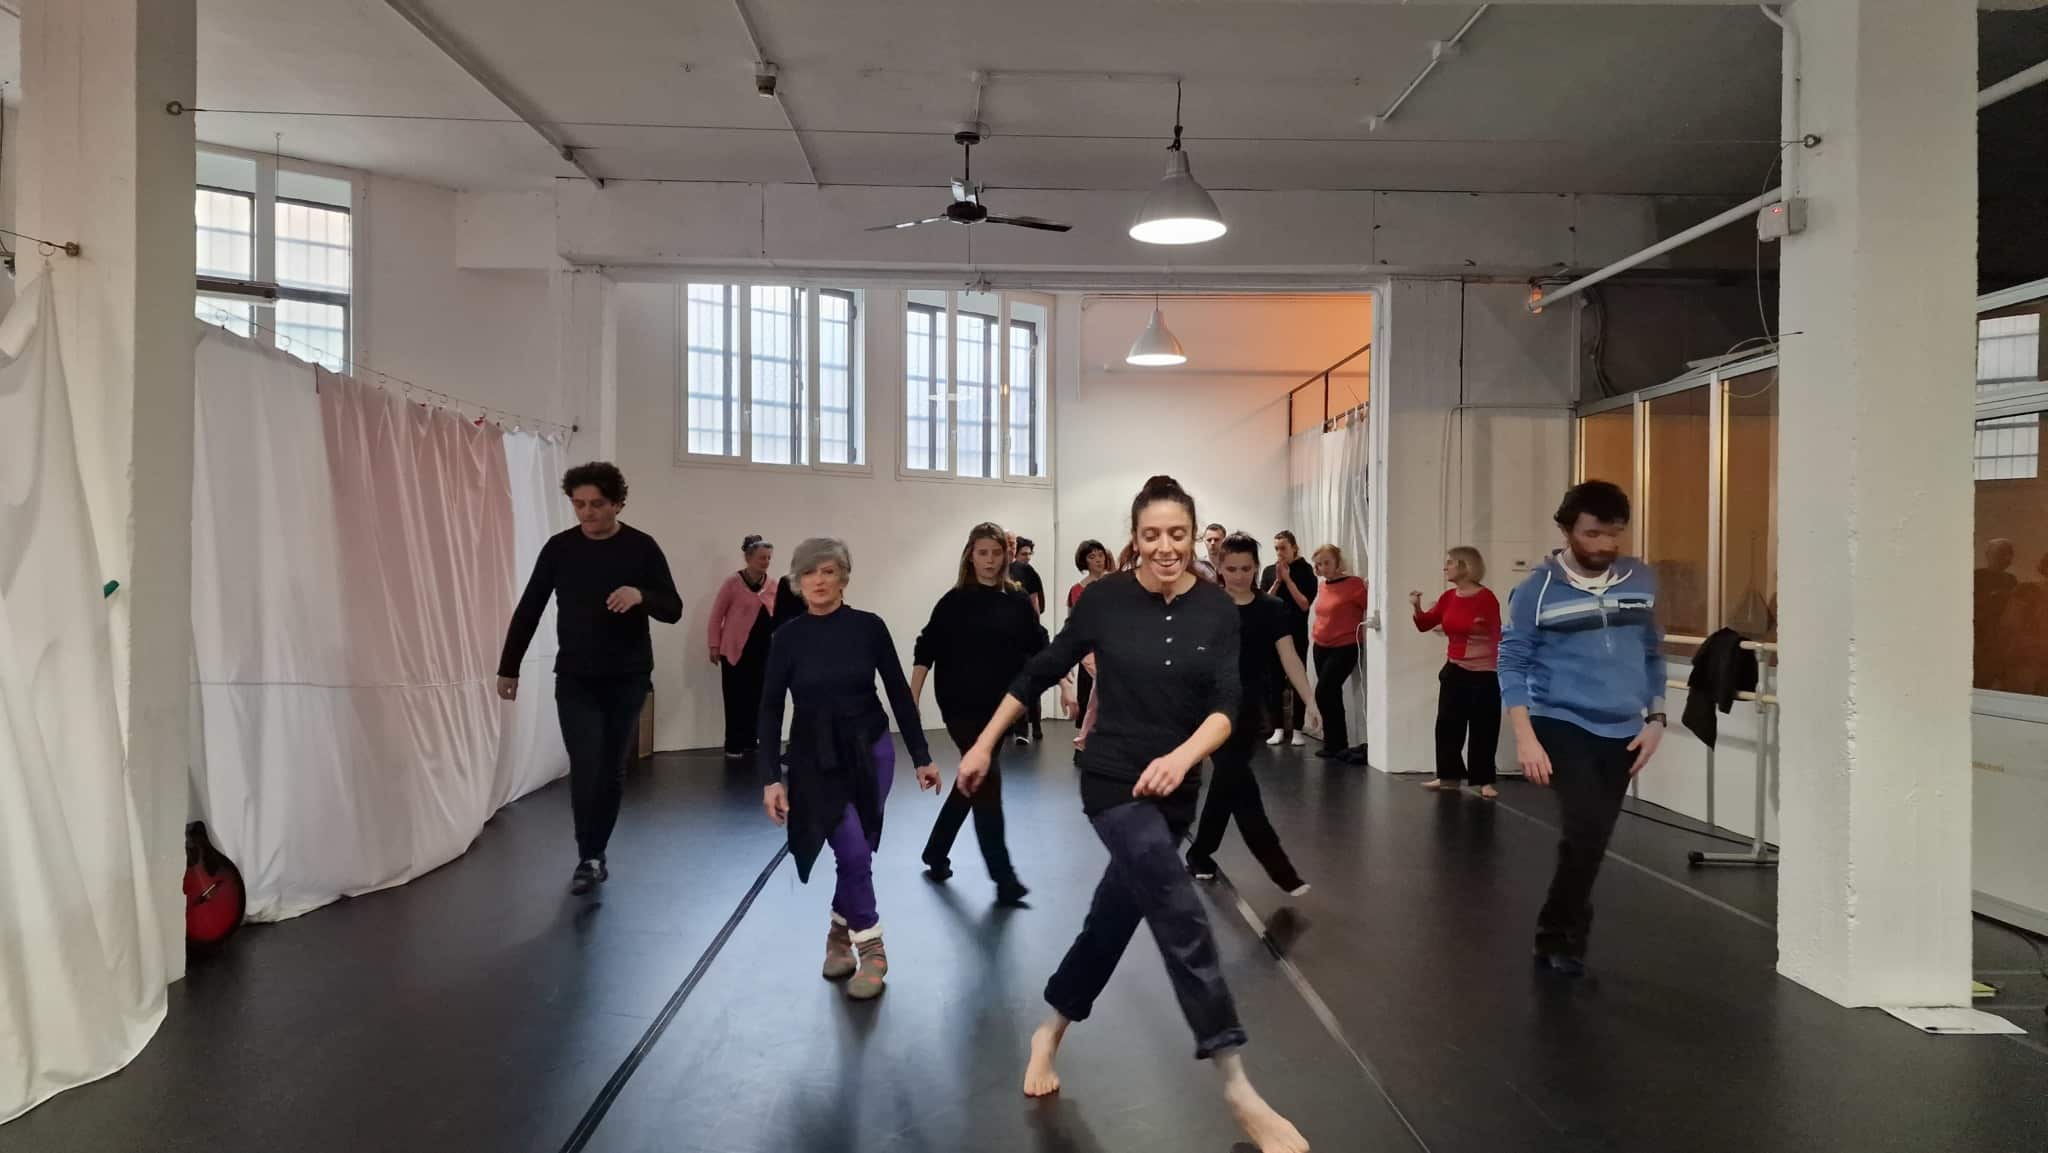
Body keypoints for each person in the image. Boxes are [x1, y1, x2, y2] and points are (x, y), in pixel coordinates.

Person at [956, 475, 1308, 1153]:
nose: (1165, 546)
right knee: (1179, 909)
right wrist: (983, 742)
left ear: (1193, 535)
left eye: (1178, 533)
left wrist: (1183, 757)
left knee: (1113, 919)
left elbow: (1227, 706)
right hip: (1113, 782)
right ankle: (1238, 1086)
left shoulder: (1217, 609)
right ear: (1135, 537)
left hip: (1176, 790)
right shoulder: (1104, 600)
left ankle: (1049, 1029)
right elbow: (1039, 670)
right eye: (1152, 534)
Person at [759, 538, 940, 1000]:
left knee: (859, 850)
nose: (818, 581)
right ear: (797, 582)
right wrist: (770, 778)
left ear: (843, 577)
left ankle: (838, 935)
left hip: (871, 751)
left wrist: (921, 756)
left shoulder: (869, 627)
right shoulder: (787, 638)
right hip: (815, 760)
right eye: (809, 573)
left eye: (828, 571)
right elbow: (769, 710)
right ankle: (872, 948)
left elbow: (898, 691)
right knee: (854, 851)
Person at [1498, 481, 1665, 978]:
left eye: (1614, 534)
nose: (1604, 545)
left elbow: (1652, 653)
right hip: (1560, 720)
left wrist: (1656, 718)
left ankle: (1564, 930)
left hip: (1624, 729)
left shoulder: (1641, 579)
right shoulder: (1536, 590)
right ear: (1567, 529)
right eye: (1593, 534)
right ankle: (1558, 937)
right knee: (1585, 828)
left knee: (1590, 839)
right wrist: (1525, 737)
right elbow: (1512, 662)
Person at [498, 462, 682, 896]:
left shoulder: (641, 547)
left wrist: (641, 595)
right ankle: (588, 855)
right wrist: (509, 666)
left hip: (627, 676)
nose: (587, 513)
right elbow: (530, 607)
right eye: (579, 504)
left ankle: (596, 851)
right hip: (576, 676)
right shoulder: (560, 549)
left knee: (610, 766)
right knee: (586, 763)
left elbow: (673, 608)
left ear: (617, 503)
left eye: (596, 504)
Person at [912, 523, 1043, 905]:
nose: (989, 560)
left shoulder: (1017, 601)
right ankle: (1004, 877)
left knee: (973, 776)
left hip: (1000, 708)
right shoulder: (954, 601)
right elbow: (926, 647)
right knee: (986, 779)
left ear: (1006, 556)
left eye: (996, 553)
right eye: (982, 553)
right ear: (970, 556)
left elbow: (1039, 645)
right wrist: (911, 697)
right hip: (959, 705)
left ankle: (935, 850)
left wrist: (1066, 684)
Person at [1187, 533, 1318, 894]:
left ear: (1257, 568)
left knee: (1227, 785)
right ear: (1220, 567)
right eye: (1232, 569)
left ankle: (1200, 854)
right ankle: (1282, 872)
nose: (1239, 576)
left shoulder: (1271, 608)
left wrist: (1311, 700)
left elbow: (1289, 656)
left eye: (1246, 569)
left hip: (1249, 712)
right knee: (1243, 789)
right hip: (1211, 710)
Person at [1410, 546, 1503, 798]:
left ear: (1465, 566)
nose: (1446, 567)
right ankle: (1448, 776)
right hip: (1455, 669)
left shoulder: (1486, 598)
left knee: (1483, 727)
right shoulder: (1449, 597)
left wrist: (1478, 627)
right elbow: (1425, 623)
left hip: (1483, 673)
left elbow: (1495, 632)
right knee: (1447, 725)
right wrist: (1417, 607)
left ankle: (1483, 780)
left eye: (1450, 563)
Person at [707, 535, 779, 760]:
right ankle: (733, 743)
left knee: (757, 697)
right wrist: (714, 645)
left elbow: (778, 616)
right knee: (735, 697)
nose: (766, 562)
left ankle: (750, 739)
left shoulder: (773, 585)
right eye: (761, 558)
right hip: (735, 650)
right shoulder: (732, 583)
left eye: (768, 558)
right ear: (748, 558)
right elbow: (716, 616)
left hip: (763, 651)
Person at [1309, 544, 1368, 763]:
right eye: (1319, 564)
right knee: (1330, 694)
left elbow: (1368, 605)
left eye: (1327, 562)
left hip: (1345, 645)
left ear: (1337, 562)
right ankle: (1334, 744)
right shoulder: (1323, 586)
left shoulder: (1354, 584)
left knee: (1324, 691)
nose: (1323, 567)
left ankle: (1338, 743)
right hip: (1321, 645)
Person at [1260, 531, 1317, 746]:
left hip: (1296, 633)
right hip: (1272, 635)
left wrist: (1288, 579)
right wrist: (1277, 581)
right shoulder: (1269, 571)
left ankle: (1298, 729)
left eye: (1283, 547)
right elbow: (1263, 603)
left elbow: (1304, 604)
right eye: (1276, 548)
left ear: (1294, 547)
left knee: (1297, 680)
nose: (1279, 552)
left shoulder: (1305, 571)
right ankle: (1277, 728)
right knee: (1274, 681)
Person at [1062, 539, 1113, 722]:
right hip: (1088, 652)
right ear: (1084, 561)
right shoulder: (1076, 590)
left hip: (1112, 649)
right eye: (1092, 557)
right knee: (1088, 702)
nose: (1098, 560)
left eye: (1100, 555)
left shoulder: (1115, 583)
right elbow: (1071, 624)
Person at [1009, 535, 1048, 745]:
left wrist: (1036, 630)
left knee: (1031, 679)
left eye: (1029, 554)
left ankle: (1036, 727)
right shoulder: (1003, 571)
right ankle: (1018, 729)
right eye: (1023, 553)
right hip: (1010, 637)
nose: (1027, 557)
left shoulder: (1029, 573)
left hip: (1027, 634)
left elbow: (1035, 601)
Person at [1975, 538, 2019, 689]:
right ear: (1988, 555)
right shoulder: (1977, 576)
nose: (2005, 558)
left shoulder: (2011, 580)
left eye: (2008, 555)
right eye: (2000, 554)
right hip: (1980, 634)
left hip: (2001, 636)